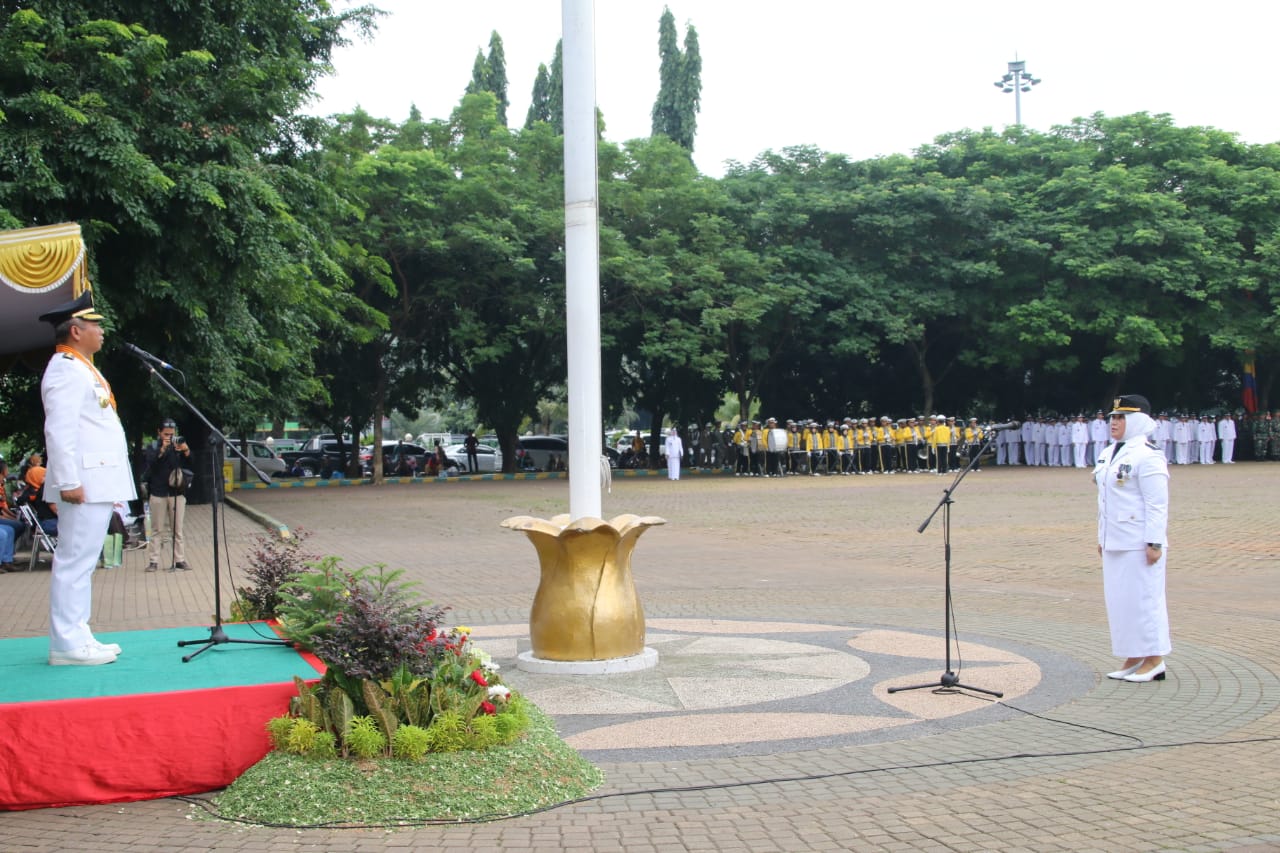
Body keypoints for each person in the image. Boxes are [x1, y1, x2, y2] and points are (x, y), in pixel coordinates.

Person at [38, 292, 137, 665]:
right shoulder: (64, 368)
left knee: (84, 561)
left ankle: (78, 633)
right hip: (82, 482)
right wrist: (67, 481)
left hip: (95, 481)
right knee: (74, 562)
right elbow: (59, 432)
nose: (102, 331)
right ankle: (65, 644)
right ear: (76, 331)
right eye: (96, 325)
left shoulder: (82, 367)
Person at [1093, 394, 1171, 683]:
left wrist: (1154, 542)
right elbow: (1106, 500)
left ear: (1138, 421)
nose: (1114, 422)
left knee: (1144, 601)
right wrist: (1102, 535)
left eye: (1121, 417)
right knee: (1121, 602)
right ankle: (1134, 655)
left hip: (1139, 542)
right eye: (1113, 417)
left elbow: (1156, 503)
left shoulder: (1148, 455)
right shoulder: (1108, 452)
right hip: (1115, 539)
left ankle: (1154, 659)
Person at [140, 417, 192, 572]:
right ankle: (154, 561)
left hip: (177, 493)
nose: (169, 436)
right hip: (158, 492)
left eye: (172, 433)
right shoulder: (154, 446)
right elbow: (150, 464)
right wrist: (162, 449)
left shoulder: (178, 445)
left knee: (178, 529)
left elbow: (191, 464)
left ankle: (179, 559)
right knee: (157, 529)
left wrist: (186, 450)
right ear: (159, 432)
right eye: (166, 434)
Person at [0, 457, 22, 572]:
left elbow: (3, 507)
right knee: (3, 533)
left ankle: (6, 561)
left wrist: (12, 516)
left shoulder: (1, 485)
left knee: (10, 530)